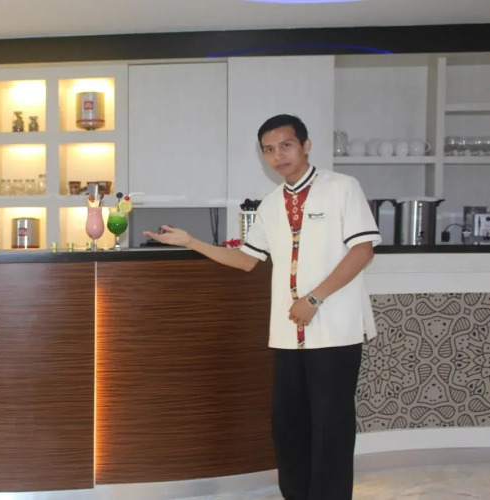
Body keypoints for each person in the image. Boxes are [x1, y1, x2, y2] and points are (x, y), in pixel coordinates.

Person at [143, 114, 381, 500]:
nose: (277, 156)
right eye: (269, 149)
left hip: (335, 329)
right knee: (288, 426)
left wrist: (314, 299)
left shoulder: (342, 188)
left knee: (331, 428)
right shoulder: (271, 205)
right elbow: (246, 260)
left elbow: (363, 251)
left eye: (285, 145)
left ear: (306, 145)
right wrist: (191, 242)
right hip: (288, 334)